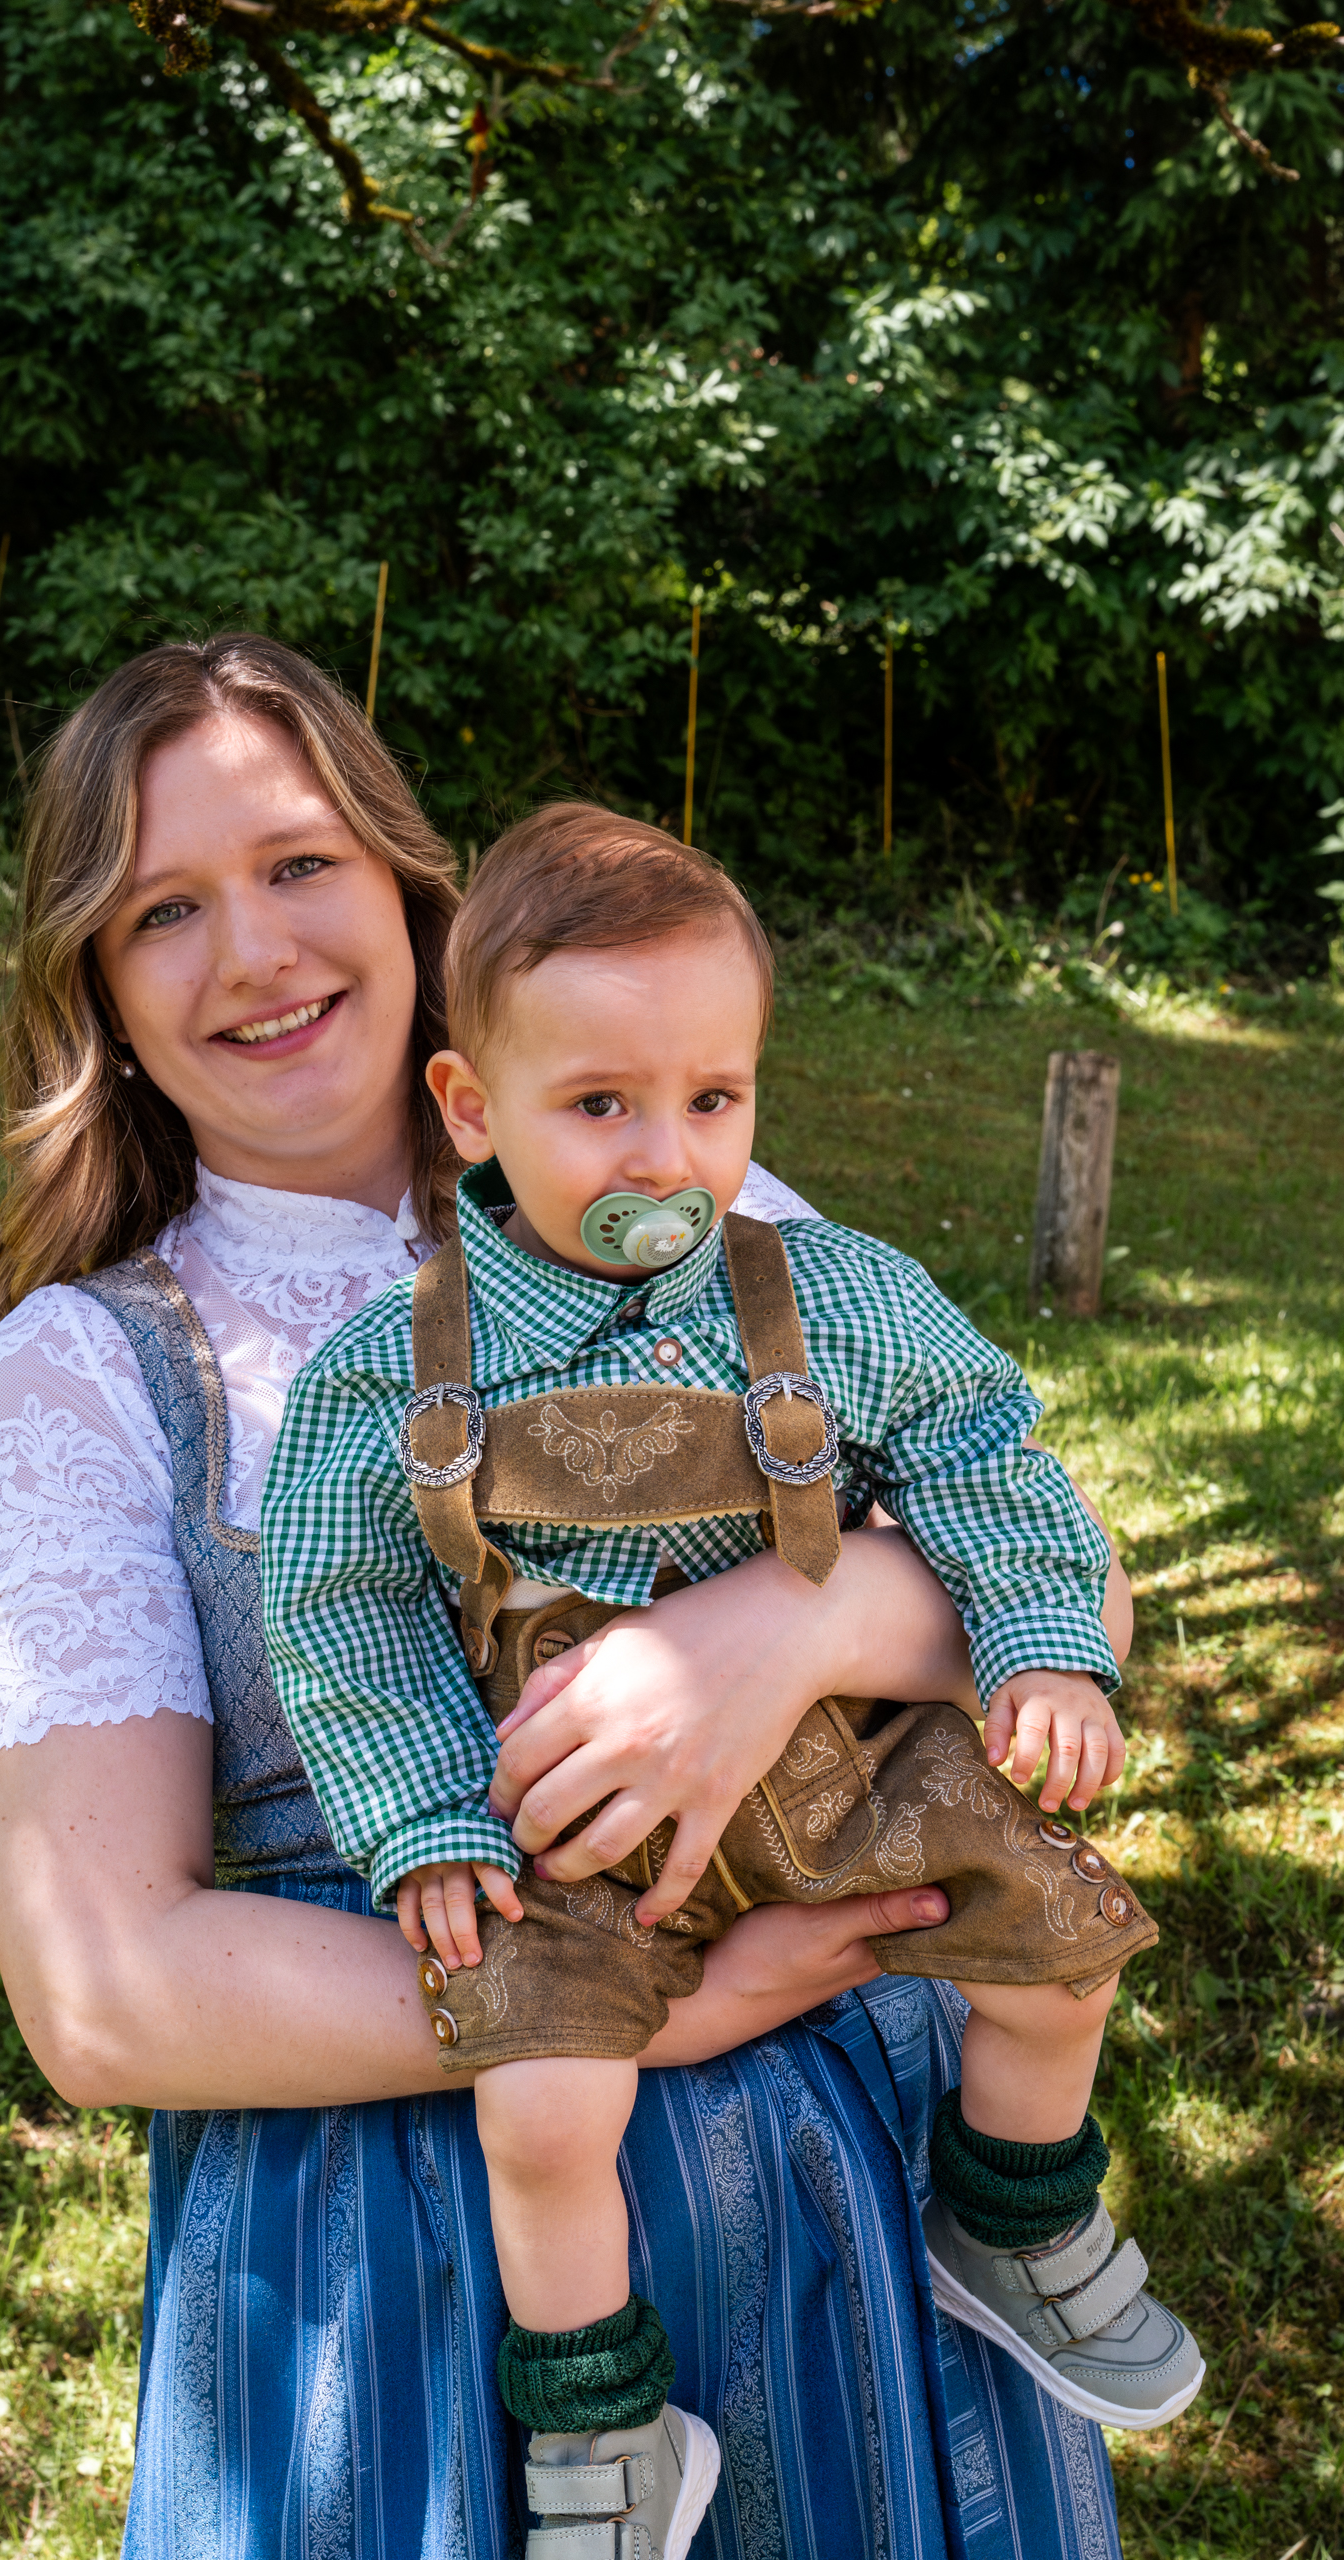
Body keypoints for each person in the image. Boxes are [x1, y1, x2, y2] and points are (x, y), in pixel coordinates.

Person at [0, 632, 1136, 2560]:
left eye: (299, 863)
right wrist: (635, 2016)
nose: (253, 950)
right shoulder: (98, 1370)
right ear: (95, 980)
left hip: (834, 2176)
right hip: (388, 2245)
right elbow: (107, 1997)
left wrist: (799, 1625)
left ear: (407, 890)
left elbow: (1072, 1584)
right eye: (164, 908)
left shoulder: (687, 1193)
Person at [262, 805, 1202, 2554]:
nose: (669, 1157)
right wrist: (423, 1821)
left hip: (847, 1771)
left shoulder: (833, 1299)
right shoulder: (391, 1371)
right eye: (600, 1106)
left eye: (714, 1100)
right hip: (570, 1828)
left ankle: (1012, 2220)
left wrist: (1045, 1646)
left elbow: (988, 1459)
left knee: (1061, 1949)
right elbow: (341, 1609)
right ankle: (602, 2427)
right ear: (470, 1106)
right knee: (542, 2103)